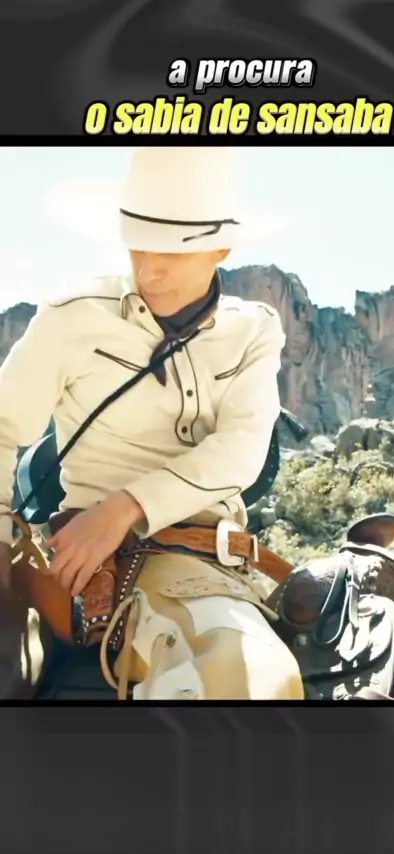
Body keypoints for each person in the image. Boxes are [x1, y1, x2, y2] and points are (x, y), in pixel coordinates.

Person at [0, 147, 304, 700]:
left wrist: (125, 508)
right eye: (136, 246)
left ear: (221, 248)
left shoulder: (254, 331)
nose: (148, 269)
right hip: (87, 564)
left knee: (253, 680)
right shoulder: (71, 317)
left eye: (171, 251)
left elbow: (241, 448)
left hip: (198, 562)